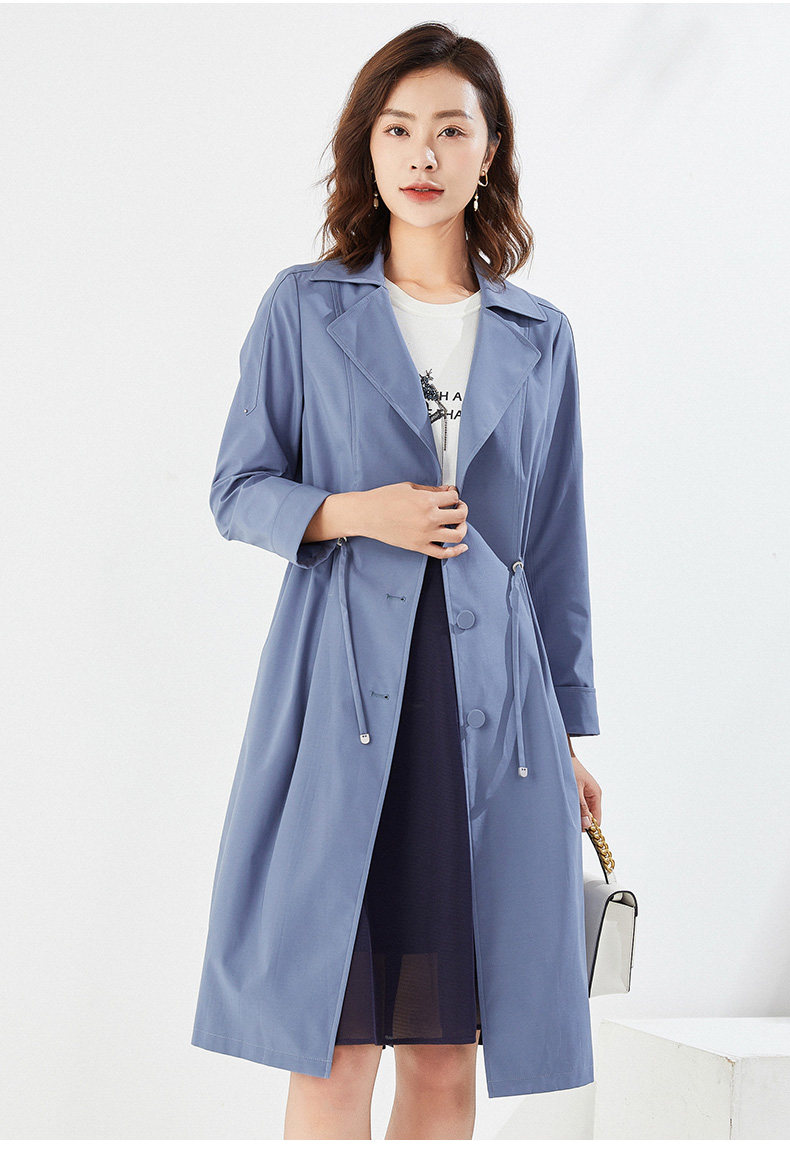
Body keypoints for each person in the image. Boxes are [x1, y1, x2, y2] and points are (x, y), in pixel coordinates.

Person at [192, 21, 602, 1141]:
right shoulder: (304, 308)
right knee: (330, 1049)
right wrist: (355, 512)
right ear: (367, 150)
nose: (424, 153)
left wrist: (568, 735)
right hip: (339, 707)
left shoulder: (539, 335)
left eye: (451, 130)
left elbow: (554, 550)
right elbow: (236, 487)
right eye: (398, 129)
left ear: (488, 150)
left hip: (492, 719)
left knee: (444, 1055)